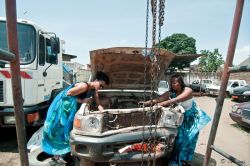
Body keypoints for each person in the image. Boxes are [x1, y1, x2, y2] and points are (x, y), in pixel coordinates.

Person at [140, 74, 211, 166]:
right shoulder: (171, 92)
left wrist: (161, 104)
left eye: (175, 82)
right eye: (171, 83)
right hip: (179, 117)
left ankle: (184, 160)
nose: (173, 84)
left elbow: (175, 100)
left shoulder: (188, 90)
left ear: (181, 82)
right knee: (177, 138)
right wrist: (146, 103)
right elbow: (159, 99)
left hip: (191, 118)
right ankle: (176, 158)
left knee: (189, 138)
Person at [41, 71, 109, 163]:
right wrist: (82, 100)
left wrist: (104, 111)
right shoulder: (84, 86)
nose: (100, 88)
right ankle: (56, 157)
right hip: (62, 109)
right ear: (96, 80)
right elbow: (67, 95)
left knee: (65, 132)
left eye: (102, 87)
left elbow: (98, 103)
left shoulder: (94, 90)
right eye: (101, 85)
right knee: (58, 131)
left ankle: (62, 155)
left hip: (71, 110)